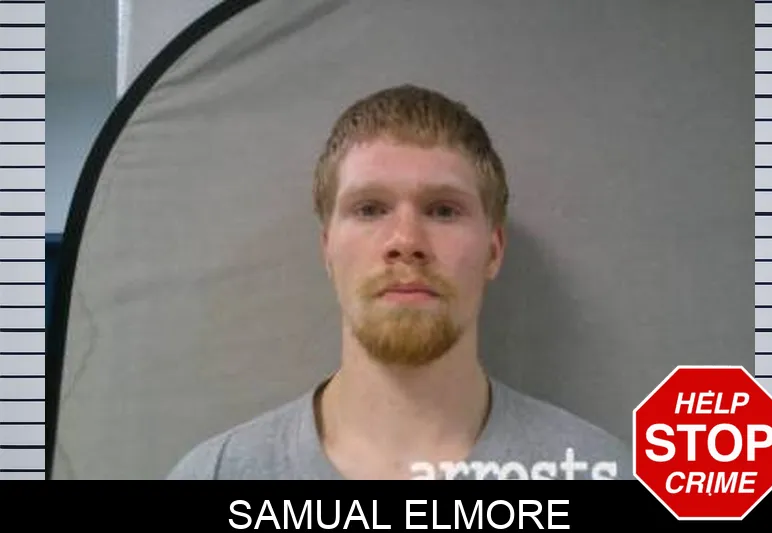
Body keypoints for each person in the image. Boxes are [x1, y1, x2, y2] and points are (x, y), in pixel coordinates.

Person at [167, 84, 633, 480]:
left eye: (443, 210)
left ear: (493, 251)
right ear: (328, 249)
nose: (406, 241)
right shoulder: (216, 473)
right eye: (370, 209)